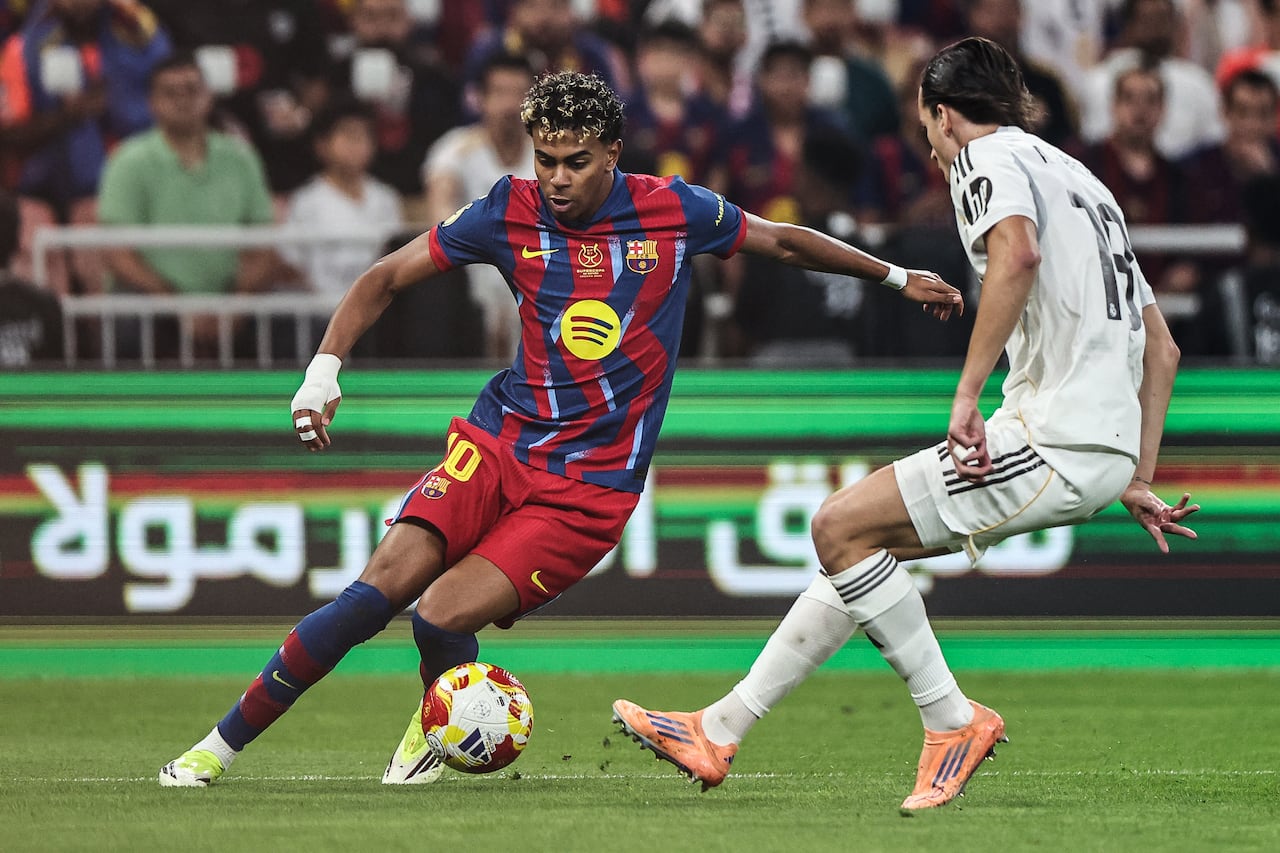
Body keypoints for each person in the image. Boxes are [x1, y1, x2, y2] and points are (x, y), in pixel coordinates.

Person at [156, 69, 964, 788]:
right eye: (544, 158)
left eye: (575, 161)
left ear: (613, 152)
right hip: (498, 443)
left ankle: (438, 719)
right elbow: (384, 277)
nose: (556, 177)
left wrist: (895, 275)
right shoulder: (507, 211)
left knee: (437, 616)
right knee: (372, 596)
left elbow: (784, 242)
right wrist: (323, 371)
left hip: (587, 491)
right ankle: (215, 750)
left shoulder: (673, 210)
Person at [612, 37, 1200, 811]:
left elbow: (1015, 256)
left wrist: (967, 395)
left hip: (1054, 434)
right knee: (853, 542)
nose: (925, 138)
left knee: (836, 524)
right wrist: (1138, 472)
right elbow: (1162, 346)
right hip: (1088, 439)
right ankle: (719, 729)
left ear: (944, 113)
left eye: (925, 119)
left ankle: (952, 719)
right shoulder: (1084, 180)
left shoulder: (984, 163)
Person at [96, 51, 277, 360]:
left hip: (229, 297)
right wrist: (176, 304)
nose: (182, 100)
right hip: (155, 299)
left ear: (208, 97)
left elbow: (264, 242)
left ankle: (295, 405)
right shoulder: (128, 160)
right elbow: (117, 252)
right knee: (126, 320)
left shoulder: (240, 157)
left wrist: (238, 302)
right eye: (170, 92)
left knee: (294, 315)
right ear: (152, 101)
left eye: (192, 90)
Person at [421, 51, 536, 361]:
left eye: (520, 94)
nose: (511, 105)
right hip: (473, 273)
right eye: (500, 93)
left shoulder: (549, 152)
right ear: (480, 99)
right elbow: (439, 214)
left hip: (538, 269)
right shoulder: (455, 149)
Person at [282, 98, 403, 299]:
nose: (357, 145)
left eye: (364, 136)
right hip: (322, 315)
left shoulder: (386, 199)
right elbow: (292, 265)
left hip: (375, 314)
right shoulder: (306, 202)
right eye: (348, 135)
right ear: (321, 145)